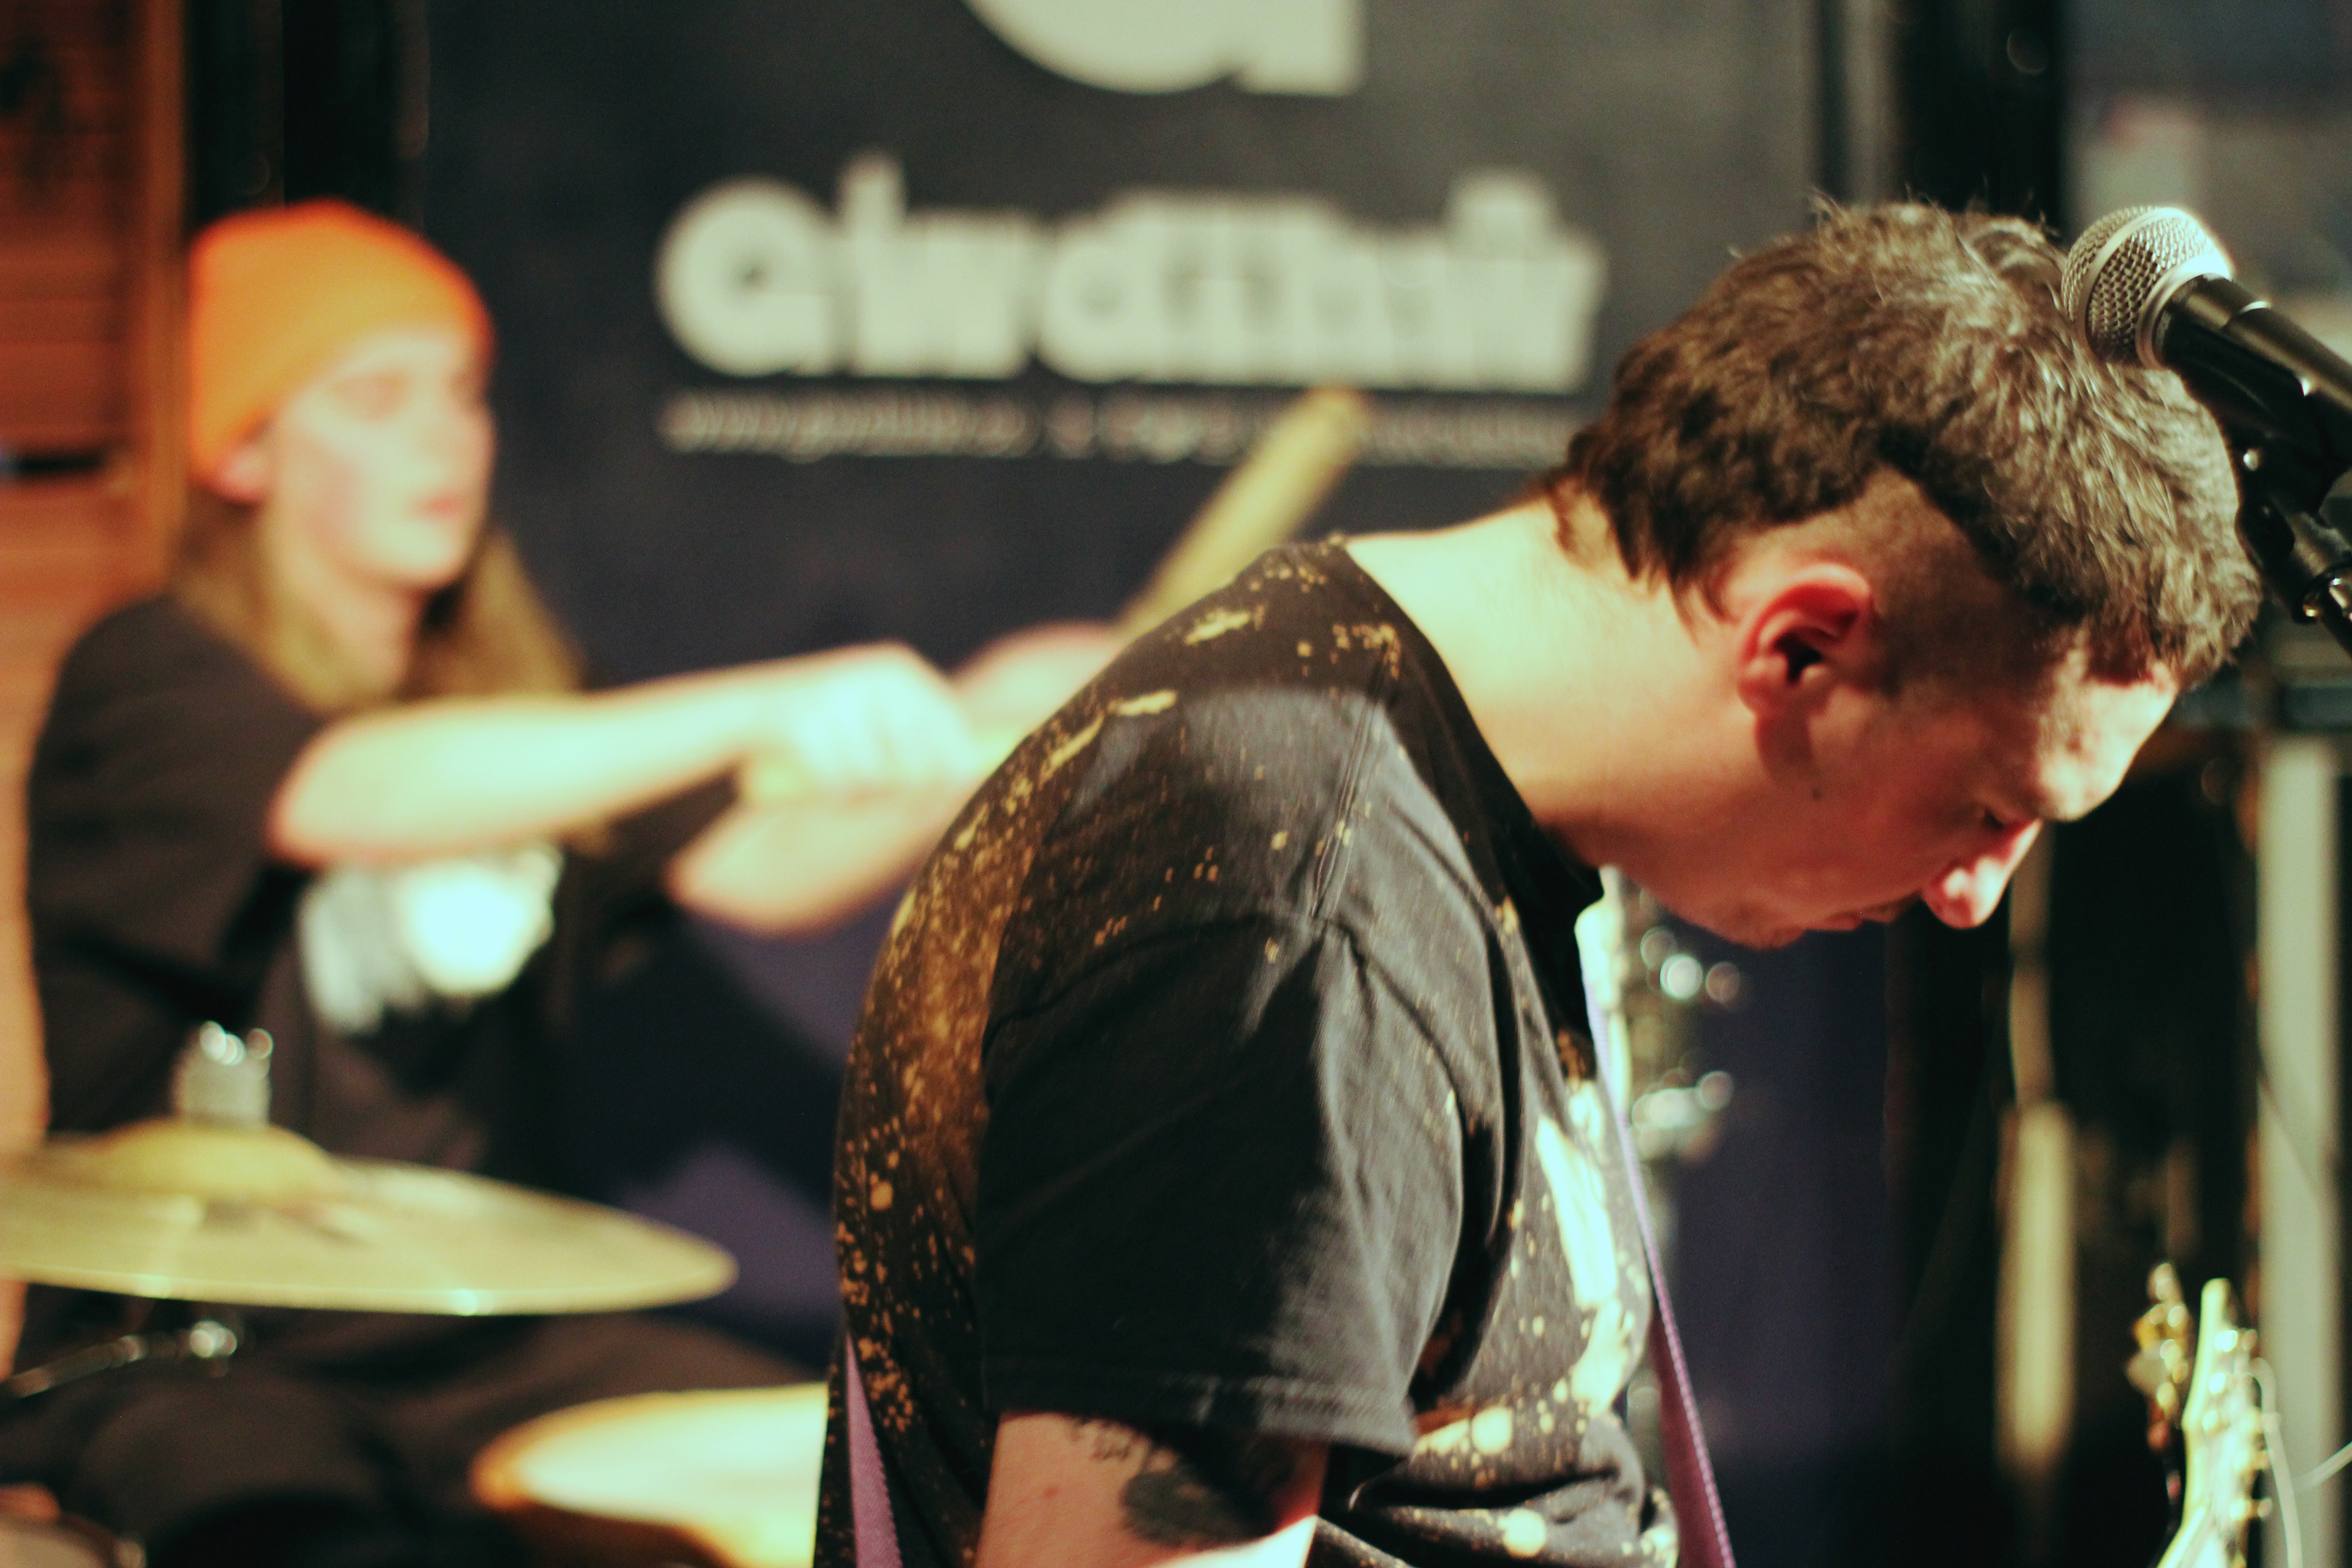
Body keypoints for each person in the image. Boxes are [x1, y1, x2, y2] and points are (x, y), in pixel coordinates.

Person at [815, 203, 2262, 1568]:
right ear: (1804, 643)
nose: (1975, 894)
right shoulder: (1301, 907)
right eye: (1989, 806)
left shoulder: (1420, 793)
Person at [0, 201, 1109, 1568]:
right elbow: (352, 792)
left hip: (484, 1334)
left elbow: (772, 867)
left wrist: (1005, 717)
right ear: (244, 451)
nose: (444, 438)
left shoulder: (526, 696)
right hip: (196, 1354)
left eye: (462, 394)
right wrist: (776, 701)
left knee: (856, 1484)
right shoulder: (149, 677)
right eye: (375, 399)